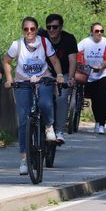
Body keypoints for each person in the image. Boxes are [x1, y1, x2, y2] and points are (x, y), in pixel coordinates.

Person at [3, 17, 65, 175]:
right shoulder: (17, 45)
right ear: (22, 30)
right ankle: (24, 159)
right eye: (26, 29)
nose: (29, 32)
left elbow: (54, 60)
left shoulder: (44, 42)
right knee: (23, 121)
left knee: (45, 103)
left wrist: (59, 75)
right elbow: (7, 61)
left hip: (43, 78)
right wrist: (10, 79)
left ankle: (49, 126)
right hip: (23, 82)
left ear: (36, 30)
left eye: (32, 29)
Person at [40, 14, 78, 145]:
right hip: (46, 72)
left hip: (65, 73)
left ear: (61, 27)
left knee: (61, 98)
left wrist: (71, 78)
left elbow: (73, 60)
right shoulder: (41, 37)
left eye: (55, 27)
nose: (51, 30)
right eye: (49, 27)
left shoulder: (69, 39)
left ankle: (60, 131)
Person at [77, 23, 106, 134]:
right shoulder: (86, 42)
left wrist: (105, 65)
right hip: (90, 75)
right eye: (96, 31)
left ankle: (101, 124)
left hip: (105, 73)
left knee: (102, 98)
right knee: (94, 99)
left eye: (101, 31)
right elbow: (74, 51)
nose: (99, 33)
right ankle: (97, 122)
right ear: (92, 32)